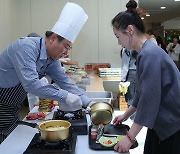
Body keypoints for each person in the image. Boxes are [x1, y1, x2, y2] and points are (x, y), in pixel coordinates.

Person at [0, 2, 93, 143]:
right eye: (66, 47)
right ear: (53, 38)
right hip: (2, 101)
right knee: (6, 141)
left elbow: (66, 83)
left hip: (14, 104)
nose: (66, 53)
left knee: (11, 139)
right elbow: (31, 84)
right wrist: (65, 96)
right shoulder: (26, 47)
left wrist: (89, 103)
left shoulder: (52, 60)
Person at [111, 0, 180, 153]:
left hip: (171, 124)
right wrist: (126, 114)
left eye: (117, 36)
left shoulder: (149, 54)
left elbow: (149, 100)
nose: (118, 42)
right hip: (160, 122)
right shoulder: (145, 52)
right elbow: (142, 93)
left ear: (129, 30)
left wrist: (129, 137)